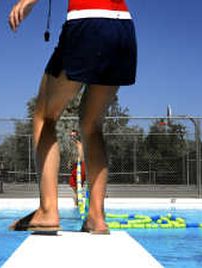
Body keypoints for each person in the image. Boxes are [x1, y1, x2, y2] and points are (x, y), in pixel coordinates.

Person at [8, 0, 137, 234]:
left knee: (44, 116)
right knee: (91, 124)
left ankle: (48, 210)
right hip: (123, 29)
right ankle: (96, 217)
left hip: (88, 20)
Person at [68, 130, 87, 206]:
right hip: (74, 167)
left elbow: (81, 158)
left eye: (74, 136)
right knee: (73, 185)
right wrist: (69, 162)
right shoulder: (71, 145)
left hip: (80, 167)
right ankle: (78, 202)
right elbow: (71, 156)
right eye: (71, 136)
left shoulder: (79, 145)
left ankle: (77, 204)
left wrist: (74, 162)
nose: (72, 137)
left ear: (77, 136)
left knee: (78, 187)